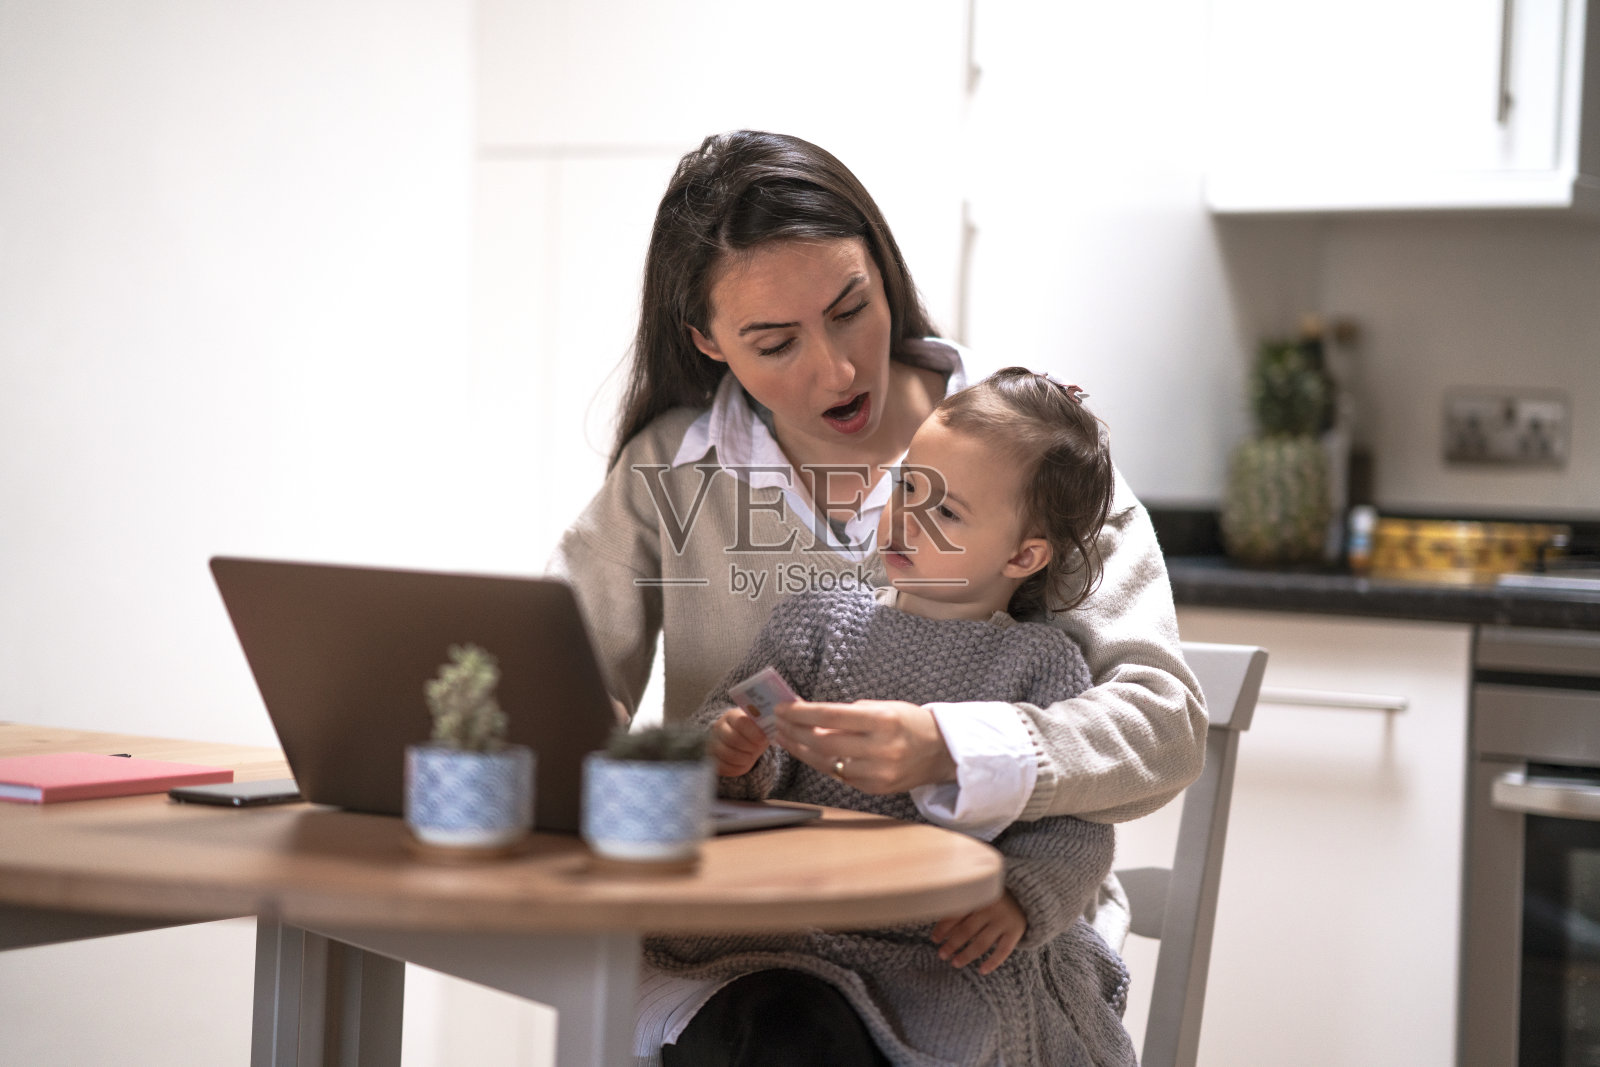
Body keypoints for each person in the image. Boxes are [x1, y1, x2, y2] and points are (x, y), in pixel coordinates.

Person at [547, 128, 1204, 1047]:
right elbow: (556, 678)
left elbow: (1165, 725)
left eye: (851, 308)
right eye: (775, 342)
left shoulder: (1027, 460)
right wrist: (641, 744)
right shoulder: (671, 468)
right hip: (741, 936)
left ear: (884, 275)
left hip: (973, 935)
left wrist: (954, 747)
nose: (839, 369)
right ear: (708, 342)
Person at [640, 368, 1137, 1066]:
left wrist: (1020, 899)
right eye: (907, 486)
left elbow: (1076, 828)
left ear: (1023, 554)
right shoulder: (819, 622)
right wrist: (733, 750)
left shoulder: (1038, 667)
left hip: (935, 949)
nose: (904, 518)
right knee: (762, 1023)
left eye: (946, 512)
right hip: (787, 926)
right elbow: (731, 718)